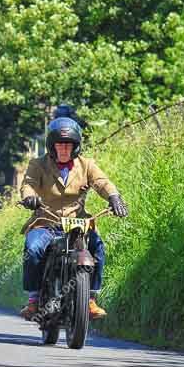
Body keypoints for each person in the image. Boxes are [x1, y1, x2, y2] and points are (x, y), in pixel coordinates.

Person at [19, 117, 128, 320]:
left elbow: (102, 182)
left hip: (78, 224)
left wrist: (114, 197)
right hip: (46, 222)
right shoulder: (38, 164)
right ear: (52, 145)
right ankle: (33, 300)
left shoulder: (87, 165)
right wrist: (29, 197)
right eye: (59, 144)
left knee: (97, 246)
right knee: (33, 249)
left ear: (75, 146)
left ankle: (90, 299)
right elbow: (28, 184)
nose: (63, 149)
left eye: (68, 145)